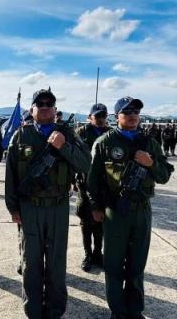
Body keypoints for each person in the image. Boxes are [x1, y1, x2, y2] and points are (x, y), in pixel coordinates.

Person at [5, 88, 91, 319]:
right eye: (39, 104)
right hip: (29, 207)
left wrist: (64, 146)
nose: (44, 107)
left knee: (56, 261)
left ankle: (54, 310)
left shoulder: (68, 133)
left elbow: (85, 164)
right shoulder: (20, 136)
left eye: (49, 104)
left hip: (57, 206)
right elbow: (11, 175)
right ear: (32, 109)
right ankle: (32, 309)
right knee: (31, 262)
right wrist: (13, 208)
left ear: (55, 109)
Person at [87, 96, 174, 319]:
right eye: (127, 111)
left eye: (136, 111)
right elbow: (92, 180)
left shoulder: (150, 143)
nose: (133, 115)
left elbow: (164, 176)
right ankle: (118, 311)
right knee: (114, 264)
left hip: (142, 210)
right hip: (115, 210)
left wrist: (151, 163)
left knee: (137, 264)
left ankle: (134, 311)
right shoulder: (105, 143)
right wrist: (96, 208)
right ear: (117, 117)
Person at [75, 103, 111, 272]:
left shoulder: (111, 134)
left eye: (103, 116)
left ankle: (98, 253)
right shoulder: (81, 133)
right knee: (85, 221)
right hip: (85, 183)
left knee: (101, 222)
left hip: (105, 186)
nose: (101, 119)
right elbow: (73, 156)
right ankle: (88, 254)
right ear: (90, 118)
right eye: (97, 116)